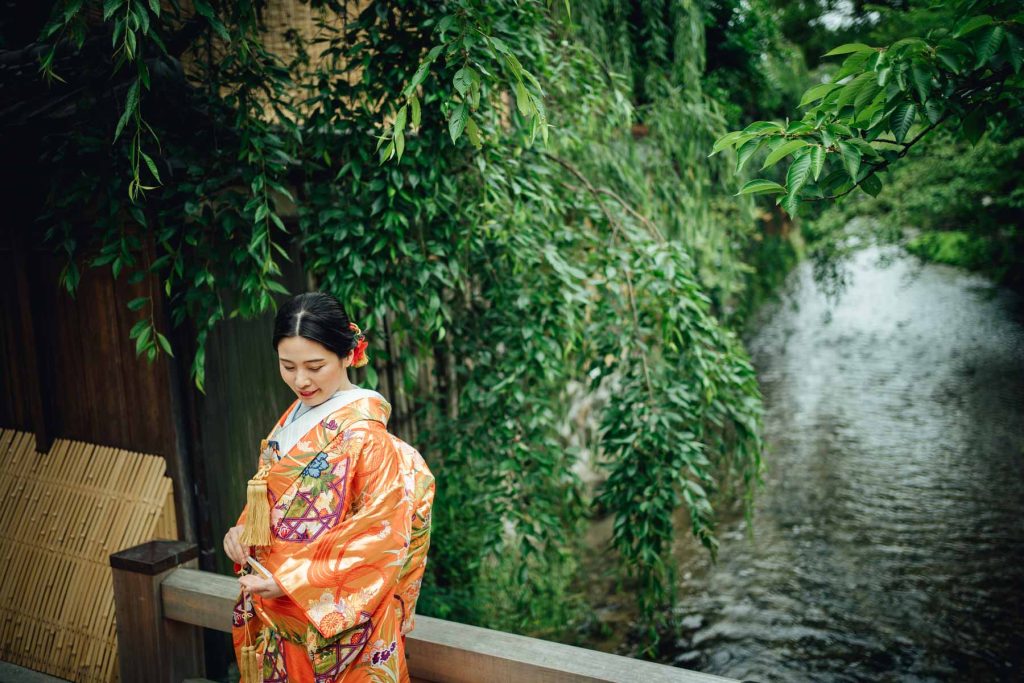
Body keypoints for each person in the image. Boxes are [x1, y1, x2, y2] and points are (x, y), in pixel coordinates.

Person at [222, 292, 435, 683]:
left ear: (349, 355)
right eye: (288, 366)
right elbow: (273, 501)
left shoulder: (365, 437)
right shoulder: (293, 421)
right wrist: (243, 534)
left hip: (335, 624)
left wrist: (292, 581)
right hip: (279, 612)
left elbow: (381, 537)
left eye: (315, 366)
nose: (301, 380)